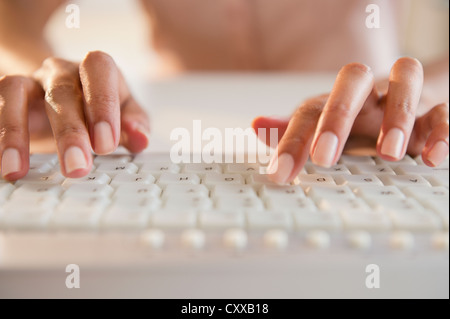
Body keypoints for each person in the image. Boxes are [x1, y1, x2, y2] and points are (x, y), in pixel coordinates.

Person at [0, 0, 448, 185]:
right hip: (172, 138)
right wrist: (43, 76)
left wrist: (419, 98)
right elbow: (16, 15)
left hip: (369, 133)